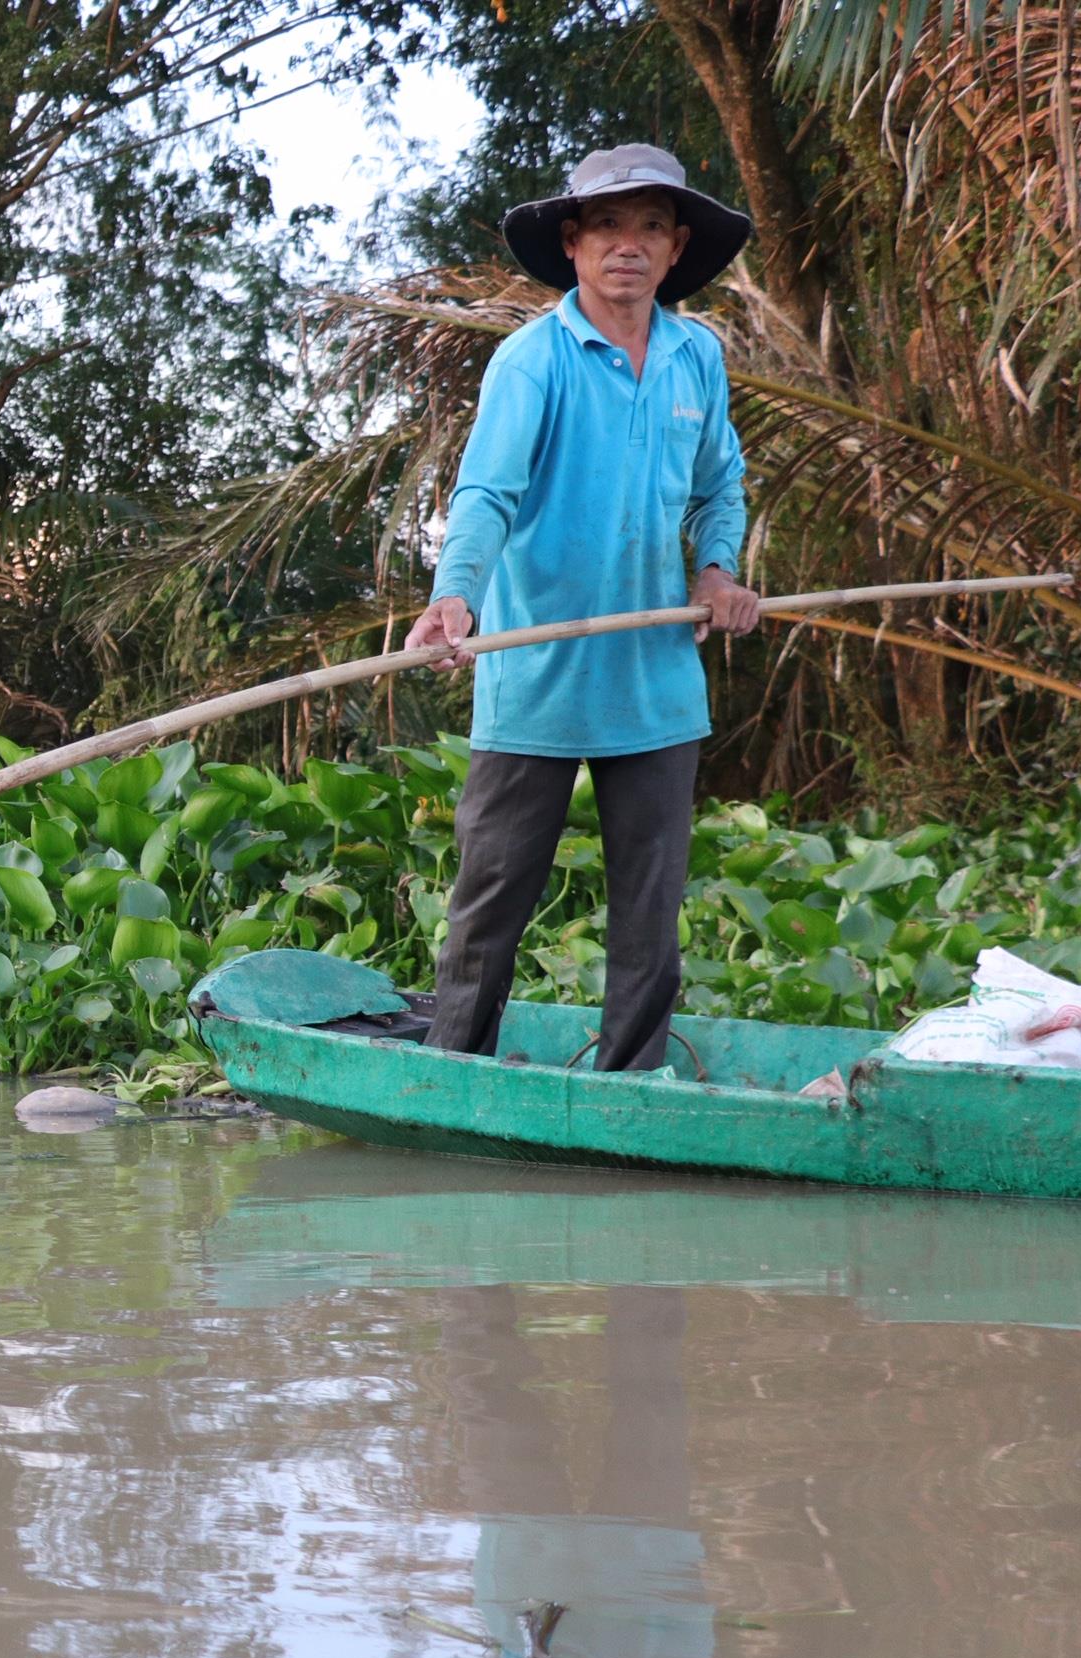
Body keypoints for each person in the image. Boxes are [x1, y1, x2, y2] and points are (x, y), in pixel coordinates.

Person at [405, 145, 764, 1072]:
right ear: (573, 242)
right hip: (539, 671)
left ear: (677, 246)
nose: (628, 246)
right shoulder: (534, 362)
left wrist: (718, 574)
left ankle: (632, 1082)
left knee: (650, 905)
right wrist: (455, 597)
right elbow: (486, 495)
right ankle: (452, 1072)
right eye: (608, 225)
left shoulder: (696, 357)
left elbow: (721, 484)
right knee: (493, 896)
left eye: (651, 227)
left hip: (654, 679)